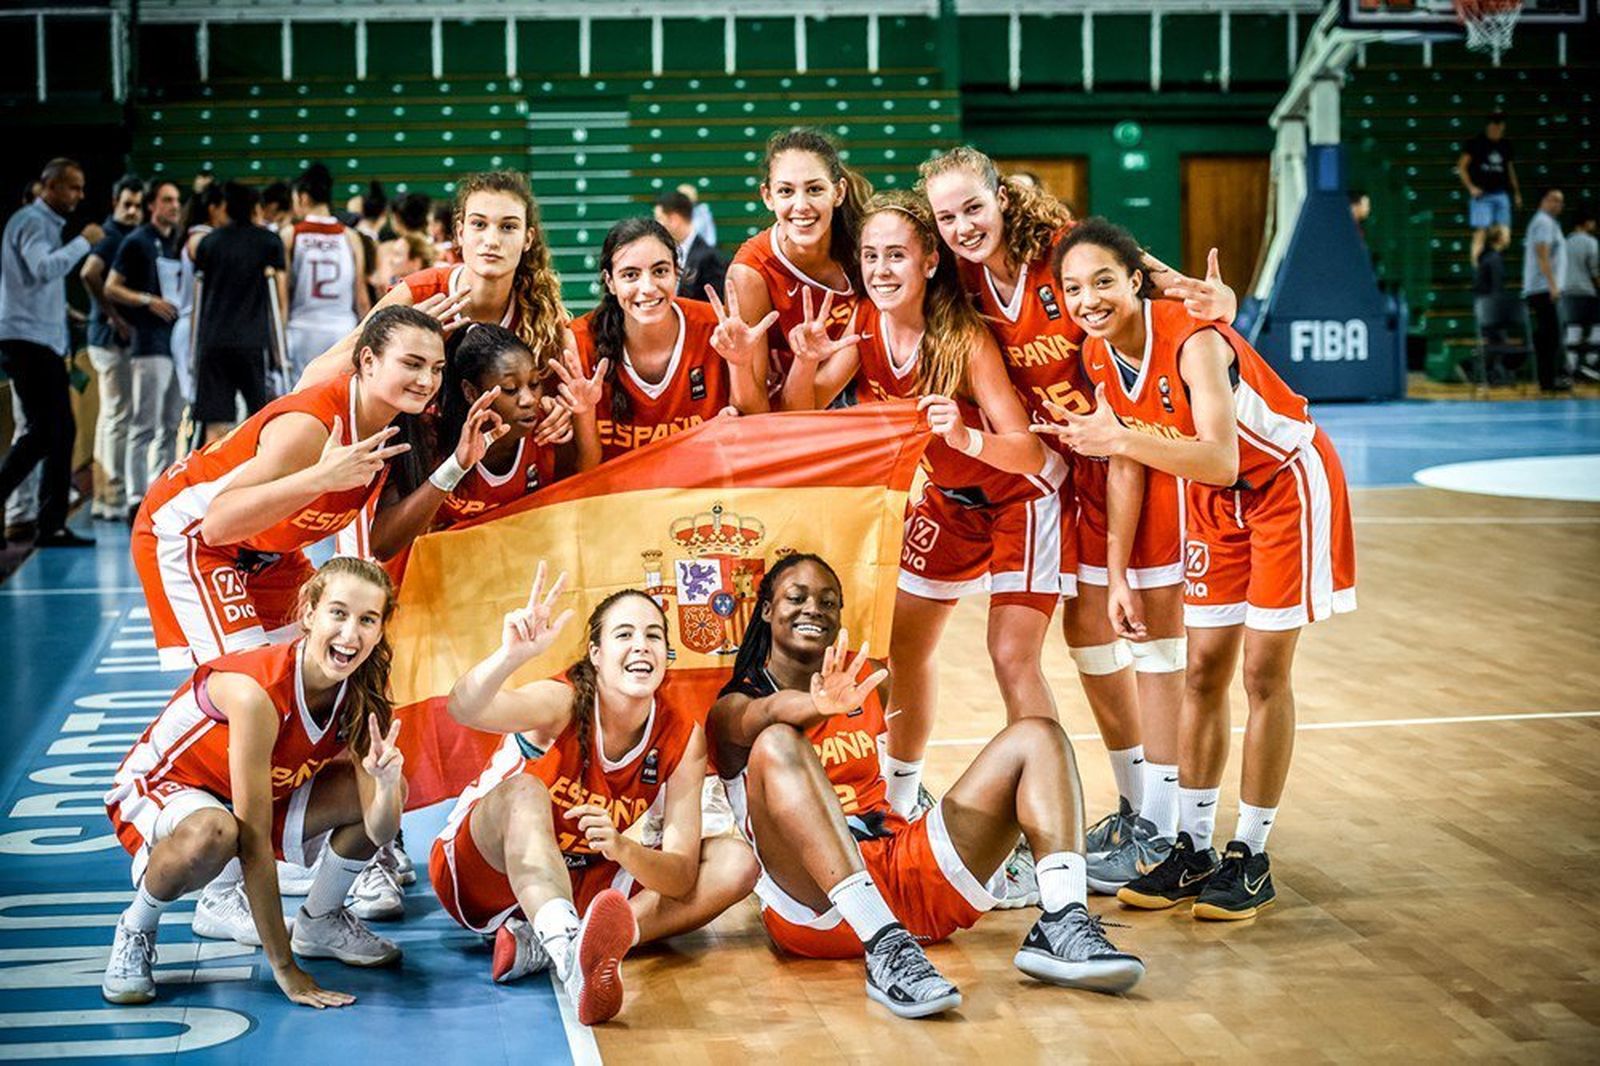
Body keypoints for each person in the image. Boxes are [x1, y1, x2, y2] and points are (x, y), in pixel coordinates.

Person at [918, 146, 1237, 892]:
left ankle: (1160, 827)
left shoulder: (1056, 250)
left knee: (1153, 639)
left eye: (974, 206)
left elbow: (1138, 271)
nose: (964, 225)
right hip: (1072, 465)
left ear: (1002, 199)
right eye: (948, 214)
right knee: (1090, 635)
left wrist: (1207, 300)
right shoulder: (960, 282)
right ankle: (1135, 808)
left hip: (1137, 445)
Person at [1037, 217, 1356, 921]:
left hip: (1281, 486)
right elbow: (1126, 463)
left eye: (1103, 282)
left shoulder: (1194, 338)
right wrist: (1117, 574)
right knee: (1202, 671)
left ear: (1133, 281)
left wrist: (1120, 435)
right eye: (1073, 288)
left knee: (1262, 674)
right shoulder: (1097, 358)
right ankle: (1191, 845)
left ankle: (1251, 853)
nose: (1089, 299)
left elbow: (1222, 456)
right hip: (1212, 503)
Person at [709, 554, 1144, 1018]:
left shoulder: (868, 684)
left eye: (829, 601)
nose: (813, 608)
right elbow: (767, 717)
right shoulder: (734, 707)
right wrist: (816, 706)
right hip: (819, 907)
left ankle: (1064, 920)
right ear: (767, 610)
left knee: (1039, 736)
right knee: (777, 742)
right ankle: (885, 947)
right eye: (796, 598)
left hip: (901, 873)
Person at [782, 192, 1072, 836]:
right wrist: (805, 361)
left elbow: (1025, 448)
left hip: (1024, 493)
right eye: (870, 256)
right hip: (951, 498)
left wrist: (966, 438)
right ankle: (901, 799)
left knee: (1010, 655)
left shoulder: (963, 338)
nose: (882, 269)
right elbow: (800, 409)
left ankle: (1050, 828)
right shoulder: (864, 321)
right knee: (900, 647)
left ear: (930, 262)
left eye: (897, 256)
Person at [432, 565, 760, 1025]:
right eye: (624, 634)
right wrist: (509, 657)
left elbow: (682, 876)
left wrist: (623, 847)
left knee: (737, 862)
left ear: (665, 654)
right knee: (525, 790)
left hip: (580, 873)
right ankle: (571, 958)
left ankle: (563, 945)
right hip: (484, 871)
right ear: (596, 654)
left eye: (651, 635)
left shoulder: (683, 737)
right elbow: (464, 708)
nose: (640, 645)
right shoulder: (561, 702)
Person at [101, 556, 408, 1007]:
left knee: (389, 791)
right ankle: (136, 927)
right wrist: (286, 970)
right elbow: (254, 843)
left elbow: (379, 832)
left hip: (254, 793)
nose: (350, 635)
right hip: (171, 784)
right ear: (308, 612)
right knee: (216, 833)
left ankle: (320, 920)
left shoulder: (366, 692)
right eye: (338, 613)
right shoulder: (256, 695)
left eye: (367, 619)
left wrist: (383, 786)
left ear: (381, 629)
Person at [131, 304, 433, 680]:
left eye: (436, 368)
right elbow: (217, 524)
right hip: (191, 532)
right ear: (369, 361)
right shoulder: (310, 427)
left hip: (269, 548)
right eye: (412, 363)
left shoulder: (395, 429)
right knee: (251, 684)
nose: (426, 380)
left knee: (312, 672)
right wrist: (320, 479)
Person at [298, 171, 571, 437]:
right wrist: (402, 336)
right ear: (460, 232)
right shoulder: (418, 293)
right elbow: (315, 376)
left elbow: (555, 399)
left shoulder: (540, 310)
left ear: (528, 239)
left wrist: (558, 410)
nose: (492, 240)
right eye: (479, 224)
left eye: (508, 227)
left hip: (496, 460)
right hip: (413, 455)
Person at [369, 323, 579, 573]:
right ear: (470, 392)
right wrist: (455, 466)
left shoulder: (548, 426)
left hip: (510, 580)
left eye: (534, 384)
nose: (528, 399)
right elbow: (382, 545)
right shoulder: (430, 436)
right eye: (511, 389)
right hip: (433, 584)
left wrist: (582, 413)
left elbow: (576, 496)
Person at [569, 217, 762, 466]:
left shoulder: (717, 329)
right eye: (630, 275)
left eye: (660, 271)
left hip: (701, 497)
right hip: (617, 500)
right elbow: (577, 472)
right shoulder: (578, 342)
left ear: (676, 272)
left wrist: (742, 364)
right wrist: (582, 414)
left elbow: (756, 431)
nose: (648, 287)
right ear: (610, 282)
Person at [726, 129, 872, 408]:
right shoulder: (751, 272)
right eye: (786, 191)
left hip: (861, 390)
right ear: (768, 197)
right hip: (785, 406)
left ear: (838, 192)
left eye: (815, 189)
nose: (801, 206)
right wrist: (740, 365)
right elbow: (752, 411)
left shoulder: (867, 250)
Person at [0, 158, 103, 548]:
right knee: (46, 431)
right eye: (73, 187)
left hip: (37, 339)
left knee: (56, 432)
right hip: (27, 342)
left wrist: (63, 313)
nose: (79, 195)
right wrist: (84, 242)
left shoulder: (36, 224)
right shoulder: (32, 221)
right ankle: (43, 520)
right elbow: (42, 268)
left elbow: (29, 283)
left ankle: (51, 524)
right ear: (51, 185)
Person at [104, 179, 184, 517]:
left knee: (170, 425)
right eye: (167, 200)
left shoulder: (177, 242)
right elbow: (110, 286)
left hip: (175, 345)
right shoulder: (137, 241)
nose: (174, 206)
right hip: (149, 343)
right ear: (152, 205)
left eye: (177, 200)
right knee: (144, 424)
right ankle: (136, 497)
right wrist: (146, 300)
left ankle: (159, 494)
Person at [192, 182, 290, 443]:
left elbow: (198, 294)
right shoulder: (269, 242)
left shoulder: (208, 243)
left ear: (226, 207)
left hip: (213, 341)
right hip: (252, 341)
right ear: (256, 207)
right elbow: (280, 297)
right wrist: (280, 345)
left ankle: (214, 479)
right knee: (258, 418)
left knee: (215, 420)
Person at [79, 175, 146, 521]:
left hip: (115, 339)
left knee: (114, 416)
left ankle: (108, 495)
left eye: (138, 205)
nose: (133, 211)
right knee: (117, 416)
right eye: (127, 204)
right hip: (109, 339)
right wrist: (113, 315)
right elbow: (89, 273)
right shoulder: (111, 237)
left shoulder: (126, 235)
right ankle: (110, 496)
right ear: (114, 203)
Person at [284, 163, 370, 384]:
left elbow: (283, 294)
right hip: (342, 330)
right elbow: (360, 296)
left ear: (302, 197)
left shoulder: (291, 234)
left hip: (303, 329)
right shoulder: (350, 236)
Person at [171, 183, 228, 406]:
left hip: (201, 325)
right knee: (198, 404)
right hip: (194, 326)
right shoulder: (201, 239)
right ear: (214, 209)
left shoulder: (202, 236)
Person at [1459, 112, 1522, 269]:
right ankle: (1478, 272)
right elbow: (1461, 167)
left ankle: (1492, 266)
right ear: (1489, 126)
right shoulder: (1476, 143)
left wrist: (1516, 193)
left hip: (1501, 194)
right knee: (1480, 233)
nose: (1497, 129)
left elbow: (1509, 169)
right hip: (1482, 195)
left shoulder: (1506, 145)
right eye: (1494, 126)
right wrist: (1471, 188)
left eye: (1500, 126)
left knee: (1505, 237)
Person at [1522, 187, 1569, 392]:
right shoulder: (1543, 222)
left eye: (1560, 201)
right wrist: (1552, 286)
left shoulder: (1548, 222)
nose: (1558, 204)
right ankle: (1547, 381)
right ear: (1543, 200)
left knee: (1549, 335)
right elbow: (1542, 254)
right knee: (1550, 336)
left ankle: (1548, 380)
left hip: (1543, 288)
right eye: (1553, 200)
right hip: (1543, 289)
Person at [654, 191, 726, 302]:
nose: (657, 225)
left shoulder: (710, 258)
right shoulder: (663, 252)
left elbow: (714, 306)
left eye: (659, 218)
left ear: (674, 219)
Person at [1563, 204, 1599, 381]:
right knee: (1597, 329)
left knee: (1573, 331)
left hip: (1567, 294)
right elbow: (1595, 271)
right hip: (1587, 292)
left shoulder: (1564, 242)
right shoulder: (1591, 242)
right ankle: (1590, 365)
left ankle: (1572, 369)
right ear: (1586, 223)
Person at [430, 200, 462, 265]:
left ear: (441, 225)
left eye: (432, 223)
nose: (429, 227)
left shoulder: (450, 250)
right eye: (428, 223)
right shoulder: (428, 242)